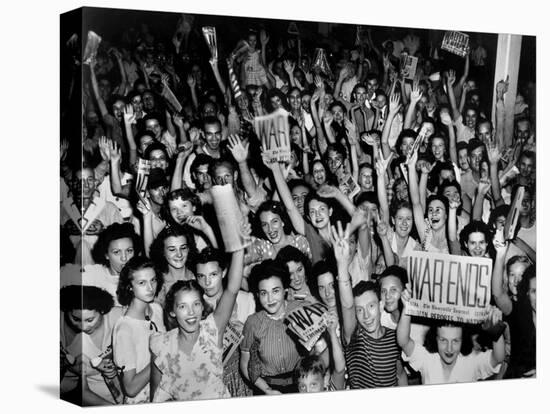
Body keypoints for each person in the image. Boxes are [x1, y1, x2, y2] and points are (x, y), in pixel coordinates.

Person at [149, 246, 245, 401]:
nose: (191, 312)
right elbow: (155, 398)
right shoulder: (160, 343)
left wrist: (238, 247)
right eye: (182, 306)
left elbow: (232, 289)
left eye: (196, 304)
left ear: (202, 307)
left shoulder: (212, 330)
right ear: (172, 311)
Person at [332, 223, 405, 388]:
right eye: (360, 310)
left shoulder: (395, 337)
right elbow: (347, 305)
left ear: (380, 306)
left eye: (371, 307)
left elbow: (400, 375)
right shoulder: (354, 337)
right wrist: (342, 265)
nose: (366, 315)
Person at [397, 286, 506, 385]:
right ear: (435, 339)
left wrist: (495, 327)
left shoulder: (471, 361)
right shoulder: (427, 358)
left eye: (455, 341)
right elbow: (403, 341)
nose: (449, 349)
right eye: (443, 340)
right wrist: (407, 308)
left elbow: (498, 357)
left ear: (463, 340)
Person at [240, 260, 307, 394]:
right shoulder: (253, 322)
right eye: (264, 293)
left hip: (301, 386)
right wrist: (267, 390)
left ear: (285, 290)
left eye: (275, 291)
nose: (270, 299)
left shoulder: (302, 310)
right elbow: (245, 364)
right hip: (266, 388)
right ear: (258, 295)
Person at [112, 257, 165, 404]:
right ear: (129, 286)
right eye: (142, 283)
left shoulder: (156, 309)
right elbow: (130, 388)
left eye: (153, 280)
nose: (150, 288)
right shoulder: (124, 329)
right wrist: (161, 356)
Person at [60, 285, 123, 406]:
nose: (83, 327)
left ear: (102, 311)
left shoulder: (118, 316)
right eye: (75, 319)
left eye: (90, 320)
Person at [79, 223, 141, 304]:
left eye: (129, 251)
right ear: (106, 255)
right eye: (117, 252)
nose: (124, 258)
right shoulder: (93, 277)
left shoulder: (142, 277)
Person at [149, 225, 197, 307]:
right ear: (163, 251)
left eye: (183, 248)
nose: (179, 254)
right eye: (172, 249)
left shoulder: (198, 276)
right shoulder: (157, 284)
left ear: (189, 249)